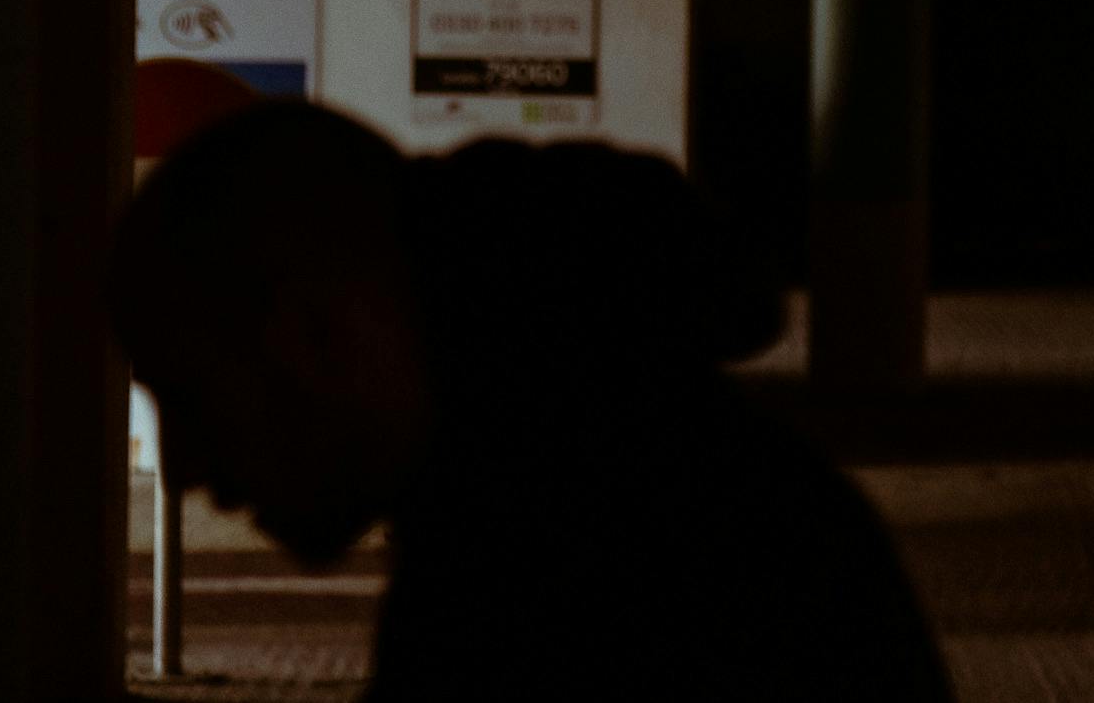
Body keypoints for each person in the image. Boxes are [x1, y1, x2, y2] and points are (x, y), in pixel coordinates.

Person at [109, 99, 952, 702]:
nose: (181, 469)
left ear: (320, 336)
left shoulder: (558, 563)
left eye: (186, 398)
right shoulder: (610, 456)